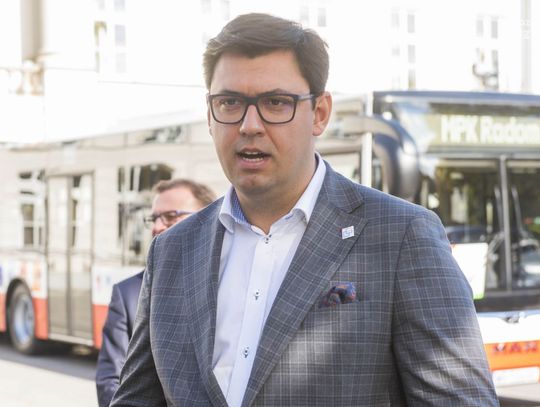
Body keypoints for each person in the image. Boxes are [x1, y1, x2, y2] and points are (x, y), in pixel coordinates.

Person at [111, 13, 498, 406]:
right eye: (229, 102)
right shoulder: (172, 250)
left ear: (320, 113)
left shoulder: (402, 236)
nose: (249, 125)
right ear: (210, 115)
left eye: (275, 102)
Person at [96, 178, 215, 407]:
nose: (157, 226)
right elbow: (111, 381)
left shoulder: (230, 281)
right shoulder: (128, 293)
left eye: (170, 216)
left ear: (207, 217)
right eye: (154, 218)